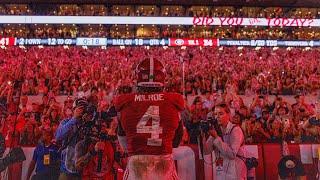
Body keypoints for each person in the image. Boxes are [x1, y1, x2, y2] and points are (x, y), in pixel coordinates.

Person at [115, 57, 184, 180]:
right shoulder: (173, 103)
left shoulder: (125, 103)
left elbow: (124, 145)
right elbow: (176, 142)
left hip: (137, 166)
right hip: (164, 165)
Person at [202, 103, 247, 180]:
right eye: (215, 114)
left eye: (220, 114)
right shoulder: (216, 130)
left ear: (228, 115)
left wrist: (216, 137)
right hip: (221, 172)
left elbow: (232, 155)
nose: (217, 117)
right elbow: (206, 151)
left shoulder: (236, 130)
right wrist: (202, 135)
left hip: (235, 173)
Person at [55, 98, 89, 180]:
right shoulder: (66, 122)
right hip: (66, 168)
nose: (82, 111)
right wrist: (74, 119)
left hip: (83, 169)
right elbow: (58, 136)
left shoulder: (88, 124)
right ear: (74, 109)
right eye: (80, 108)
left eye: (84, 109)